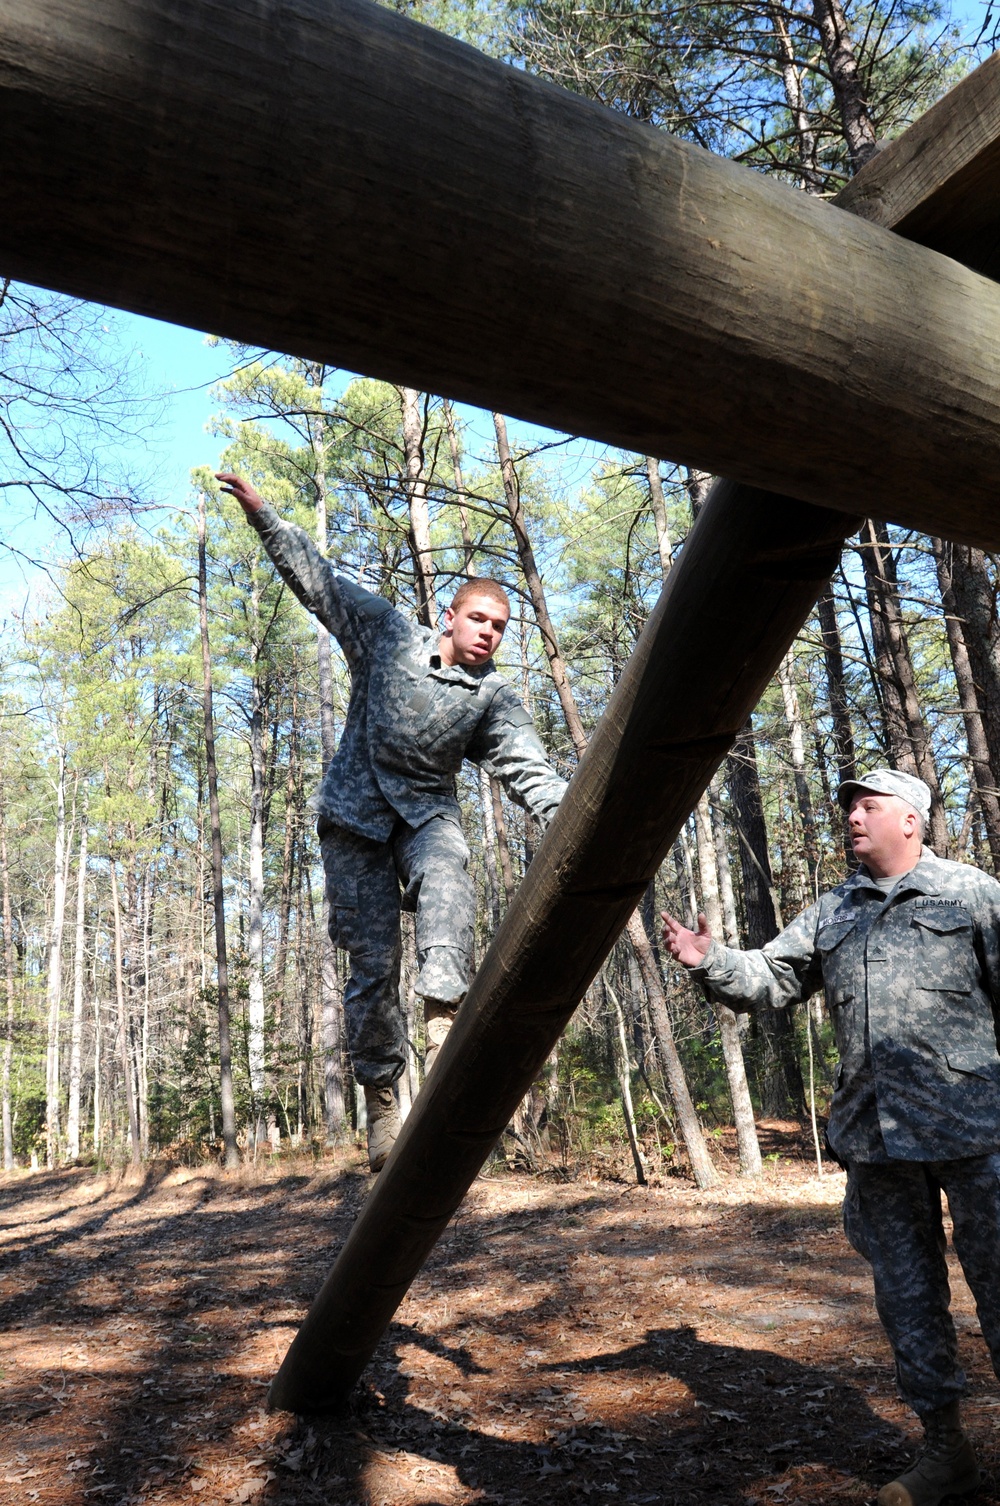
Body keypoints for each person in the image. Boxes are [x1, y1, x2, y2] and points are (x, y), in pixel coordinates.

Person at [662, 768, 1000, 1506]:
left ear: (909, 819)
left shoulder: (973, 894)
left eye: (867, 805)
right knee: (908, 1304)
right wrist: (706, 959)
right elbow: (770, 978)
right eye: (848, 805)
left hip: (976, 1134)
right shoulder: (835, 910)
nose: (851, 816)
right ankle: (946, 1455)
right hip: (876, 1143)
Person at [217, 472, 567, 1171]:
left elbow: (528, 769)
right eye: (480, 620)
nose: (489, 634)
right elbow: (321, 583)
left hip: (425, 814)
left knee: (448, 868)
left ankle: (443, 1029)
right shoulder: (386, 636)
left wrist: (571, 818)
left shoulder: (493, 697)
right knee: (372, 968)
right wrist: (265, 518)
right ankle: (383, 1103)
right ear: (450, 616)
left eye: (500, 628)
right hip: (353, 818)